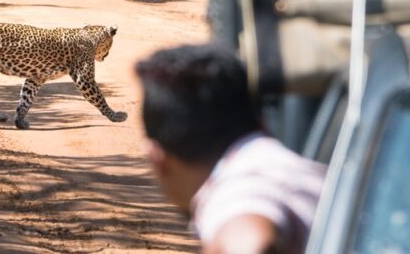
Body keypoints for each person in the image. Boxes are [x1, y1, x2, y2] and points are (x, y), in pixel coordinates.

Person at [135, 43, 326, 254]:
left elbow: (250, 240)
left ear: (158, 159)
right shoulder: (288, 167)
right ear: (259, 120)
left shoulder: (236, 188)